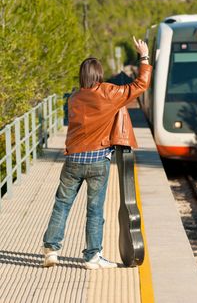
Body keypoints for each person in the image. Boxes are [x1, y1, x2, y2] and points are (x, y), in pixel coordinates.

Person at [42, 37, 152, 269]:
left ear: (82, 76)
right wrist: (143, 56)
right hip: (97, 161)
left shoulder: (73, 98)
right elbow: (140, 85)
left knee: (62, 205)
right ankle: (92, 257)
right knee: (94, 210)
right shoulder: (109, 93)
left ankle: (51, 251)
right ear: (99, 74)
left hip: (72, 160)